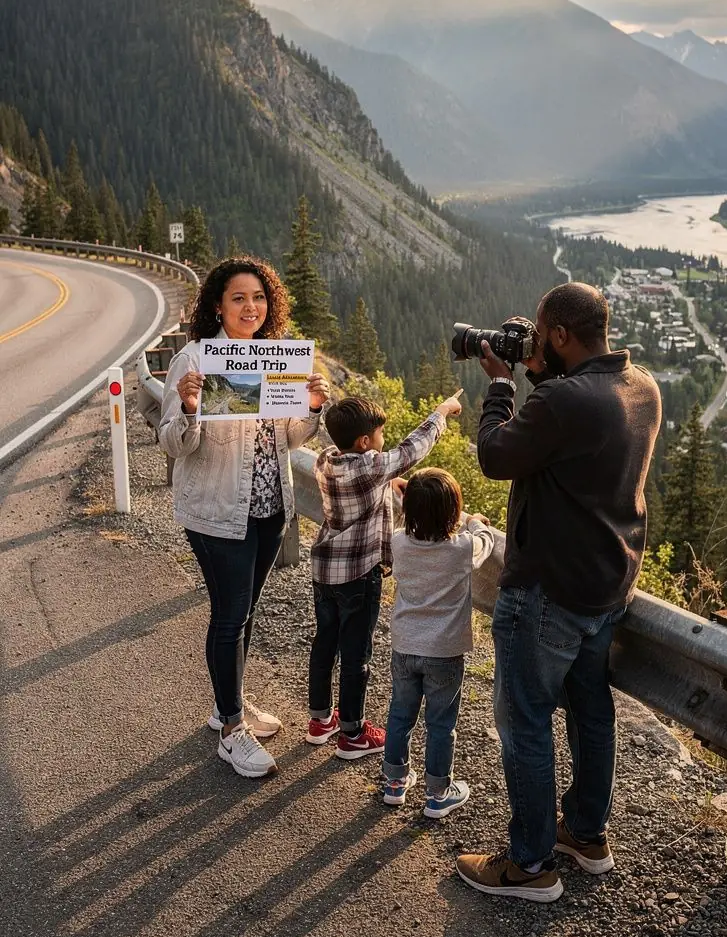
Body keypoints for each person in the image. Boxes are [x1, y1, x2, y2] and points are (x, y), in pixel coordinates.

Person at [456, 282, 661, 903]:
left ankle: (529, 865)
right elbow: (566, 440)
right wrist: (544, 374)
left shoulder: (564, 402)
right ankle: (586, 835)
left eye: (542, 332)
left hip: (546, 591)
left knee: (525, 722)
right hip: (606, 586)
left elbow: (495, 454)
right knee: (592, 714)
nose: (533, 341)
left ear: (562, 336)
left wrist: (500, 384)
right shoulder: (639, 387)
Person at [159, 257, 330, 780]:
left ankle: (225, 702)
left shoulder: (273, 358)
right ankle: (232, 729)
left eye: (258, 297)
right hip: (216, 512)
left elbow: (286, 438)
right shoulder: (194, 360)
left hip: (268, 507)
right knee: (230, 614)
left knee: (245, 612)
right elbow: (171, 443)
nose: (250, 307)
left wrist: (314, 407)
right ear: (218, 304)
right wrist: (189, 408)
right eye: (238, 298)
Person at [306, 391, 463, 760]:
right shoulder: (371, 467)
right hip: (358, 575)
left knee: (324, 643)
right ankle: (353, 733)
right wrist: (440, 412)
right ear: (365, 442)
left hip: (325, 570)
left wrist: (384, 483)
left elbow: (367, 475)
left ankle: (320, 720)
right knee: (356, 653)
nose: (382, 443)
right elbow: (412, 450)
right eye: (378, 436)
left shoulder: (326, 460)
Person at [382, 468, 495, 817]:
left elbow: (408, 520)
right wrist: (475, 521)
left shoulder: (399, 541)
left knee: (401, 713)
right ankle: (437, 793)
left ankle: (394, 782)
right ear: (452, 512)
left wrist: (408, 497)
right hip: (444, 652)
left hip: (404, 645)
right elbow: (486, 542)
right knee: (441, 723)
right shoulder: (461, 549)